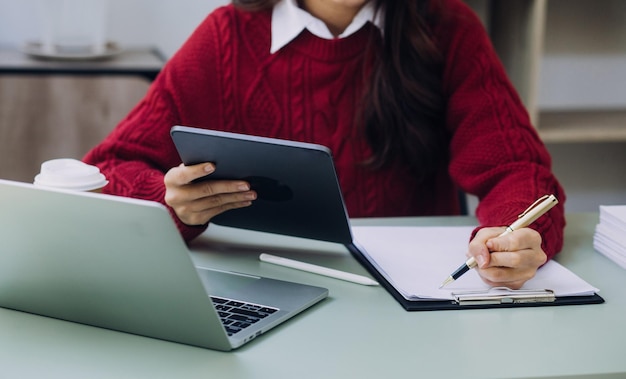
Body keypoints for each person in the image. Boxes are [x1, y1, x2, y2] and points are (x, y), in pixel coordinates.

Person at [84, 0, 566, 289]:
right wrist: (170, 202)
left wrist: (512, 237)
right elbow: (107, 168)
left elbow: (517, 168)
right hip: (264, 286)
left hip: (410, 296)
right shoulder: (224, 37)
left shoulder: (447, 27)